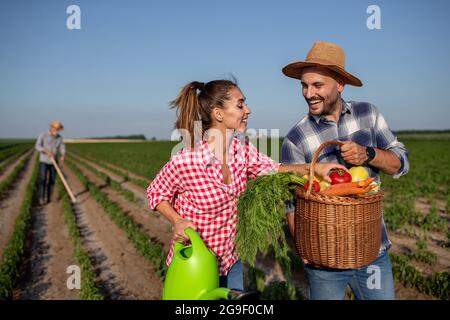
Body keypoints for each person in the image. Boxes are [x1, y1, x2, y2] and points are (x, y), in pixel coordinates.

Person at [147, 80, 347, 291]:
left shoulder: (241, 147)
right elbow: (156, 191)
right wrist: (177, 221)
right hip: (195, 262)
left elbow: (273, 169)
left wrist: (315, 169)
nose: (248, 110)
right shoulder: (188, 159)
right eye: (240, 105)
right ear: (219, 114)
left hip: (230, 259)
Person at [281, 41, 410, 300]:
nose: (308, 93)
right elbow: (291, 205)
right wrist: (306, 252)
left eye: (317, 85)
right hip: (324, 262)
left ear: (340, 83)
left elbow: (401, 163)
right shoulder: (296, 138)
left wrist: (368, 154)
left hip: (373, 251)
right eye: (304, 86)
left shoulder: (368, 114)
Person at [35, 121, 66, 205]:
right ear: (52, 128)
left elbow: (62, 146)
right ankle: (41, 198)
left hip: (54, 161)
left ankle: (49, 198)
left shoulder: (59, 138)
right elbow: (37, 146)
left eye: (58, 129)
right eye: (55, 128)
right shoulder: (43, 135)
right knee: (43, 179)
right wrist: (46, 151)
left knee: (52, 180)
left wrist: (63, 154)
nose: (57, 130)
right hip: (44, 161)